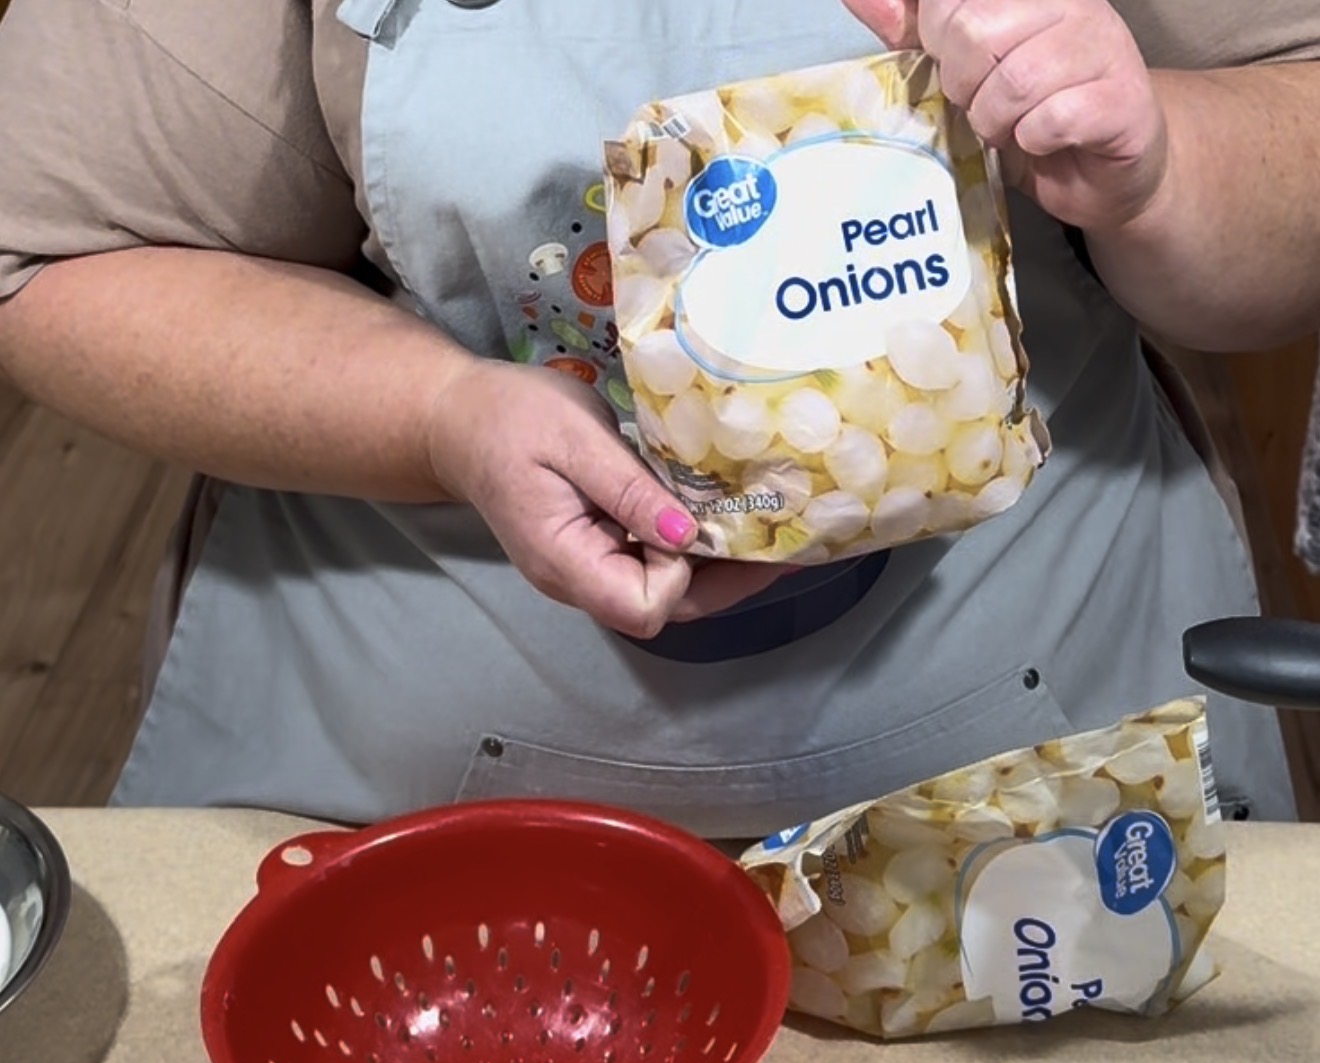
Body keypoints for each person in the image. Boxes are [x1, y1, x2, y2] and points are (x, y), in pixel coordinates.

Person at [0, 0, 1316, 836]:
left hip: (1034, 731)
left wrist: (1155, 163)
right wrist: (436, 415)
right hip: (425, 753)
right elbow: (50, 256)